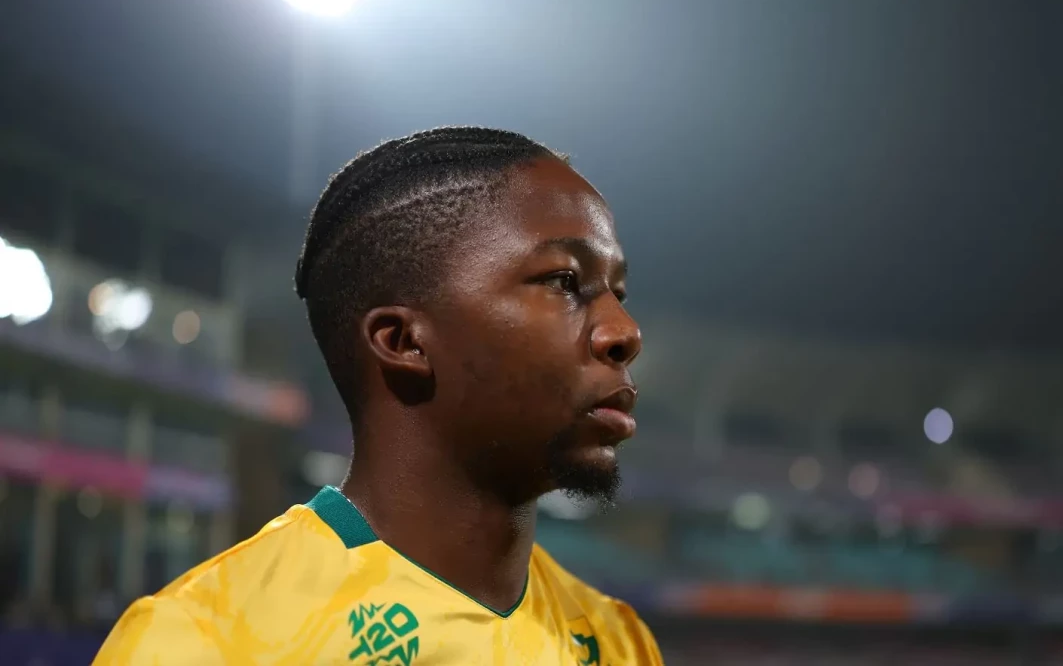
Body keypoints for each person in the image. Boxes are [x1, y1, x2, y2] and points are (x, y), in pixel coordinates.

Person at [95, 127, 661, 665]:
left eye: (618, 292)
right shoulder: (202, 643)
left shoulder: (620, 642)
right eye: (564, 281)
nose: (625, 332)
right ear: (403, 341)